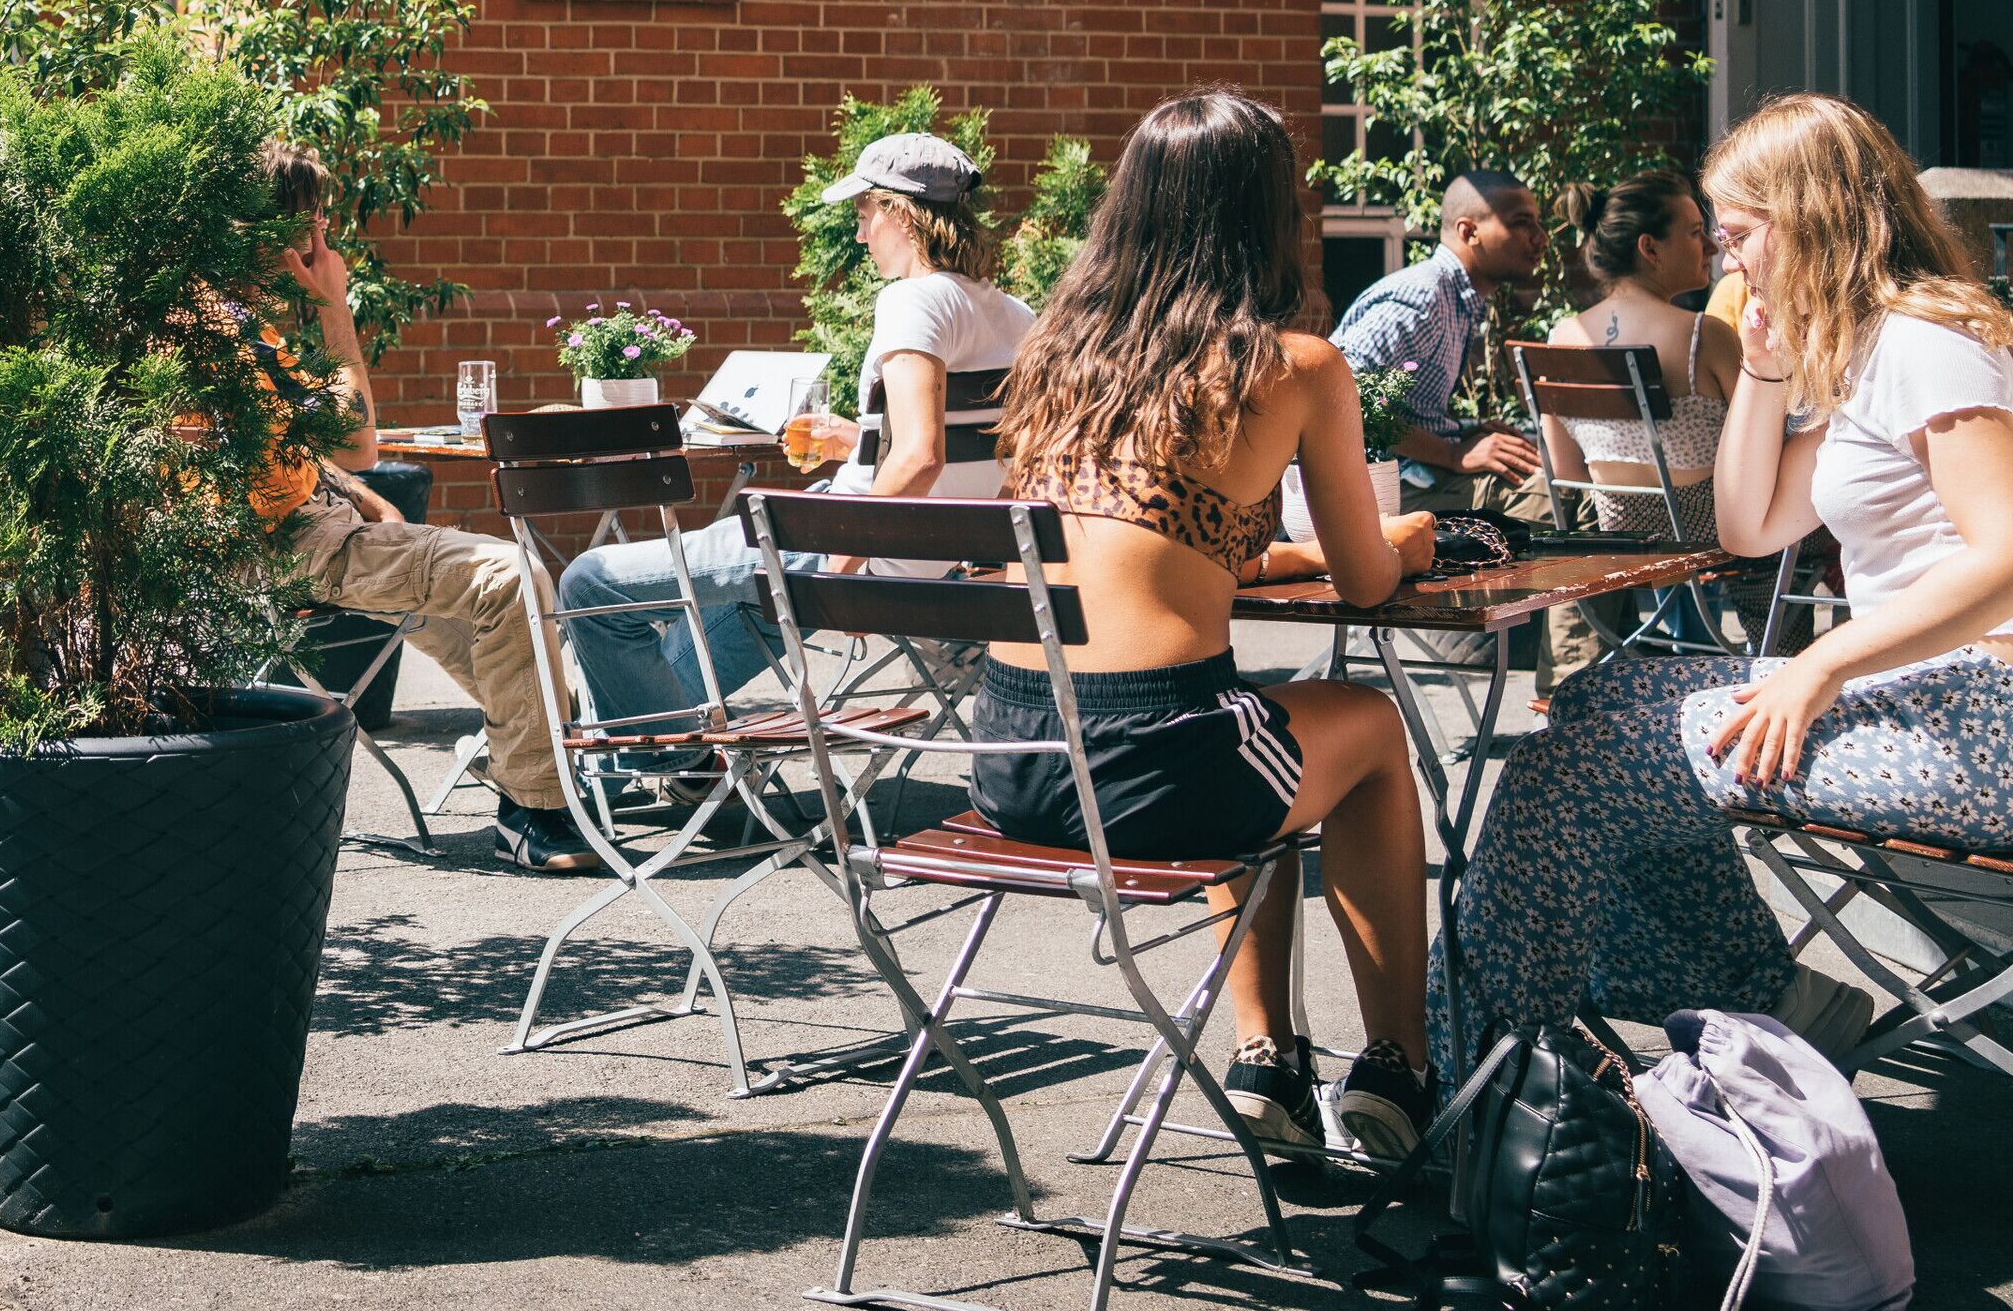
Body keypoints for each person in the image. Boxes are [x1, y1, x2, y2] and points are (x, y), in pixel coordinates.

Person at [1442, 92, 2013, 1073]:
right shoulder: (1864, 352)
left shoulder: (1925, 346)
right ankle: (1517, 1050)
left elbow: (2005, 557)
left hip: (1979, 719)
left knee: (1593, 761)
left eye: (1741, 234)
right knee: (1586, 711)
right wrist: (1762, 372)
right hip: (1920, 695)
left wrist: (1820, 662)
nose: (1725, 259)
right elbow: (1750, 527)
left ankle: (1474, 1066)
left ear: (1810, 223)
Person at [992, 91, 1442, 1161]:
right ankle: (1399, 1070)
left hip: (1008, 753)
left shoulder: (1063, 358)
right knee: (1365, 731)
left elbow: (1164, 531)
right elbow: (1372, 586)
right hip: (1146, 769)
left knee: (1250, 723)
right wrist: (1409, 539)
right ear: (1267, 212)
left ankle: (1268, 1064)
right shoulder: (1291, 364)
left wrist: (1270, 556)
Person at [552, 132, 1033, 727]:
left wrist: (843, 568)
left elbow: (920, 456)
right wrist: (860, 443)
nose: (860, 236)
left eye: (863, 215)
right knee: (748, 611)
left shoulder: (913, 300)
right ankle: (666, 749)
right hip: (935, 564)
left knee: (588, 583)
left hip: (846, 546)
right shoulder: (1017, 317)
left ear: (897, 211)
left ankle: (664, 752)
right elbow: (1003, 455)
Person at [236, 149, 585, 874]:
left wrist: (357, 494)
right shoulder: (231, 330)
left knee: (473, 614)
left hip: (319, 524)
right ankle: (537, 808)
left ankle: (559, 761)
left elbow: (285, 446)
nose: (323, 235)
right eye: (315, 221)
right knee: (510, 577)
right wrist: (334, 302)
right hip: (293, 549)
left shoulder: (235, 324)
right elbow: (361, 438)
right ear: (291, 232)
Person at [1535, 170, 1743, 540]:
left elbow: (1567, 472)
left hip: (1624, 538)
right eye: (1696, 233)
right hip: (1720, 532)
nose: (1712, 247)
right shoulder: (1704, 337)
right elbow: (1761, 454)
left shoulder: (1562, 339)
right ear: (1650, 249)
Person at [1329, 170, 1550, 505]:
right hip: (1374, 487)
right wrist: (1451, 453)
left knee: (1553, 481)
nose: (1541, 237)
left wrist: (1463, 432)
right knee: (1555, 499)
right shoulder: (1423, 298)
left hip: (1417, 475)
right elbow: (1340, 393)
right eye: (1522, 222)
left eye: (1537, 222)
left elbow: (1408, 409)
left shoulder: (1455, 297)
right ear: (1469, 231)